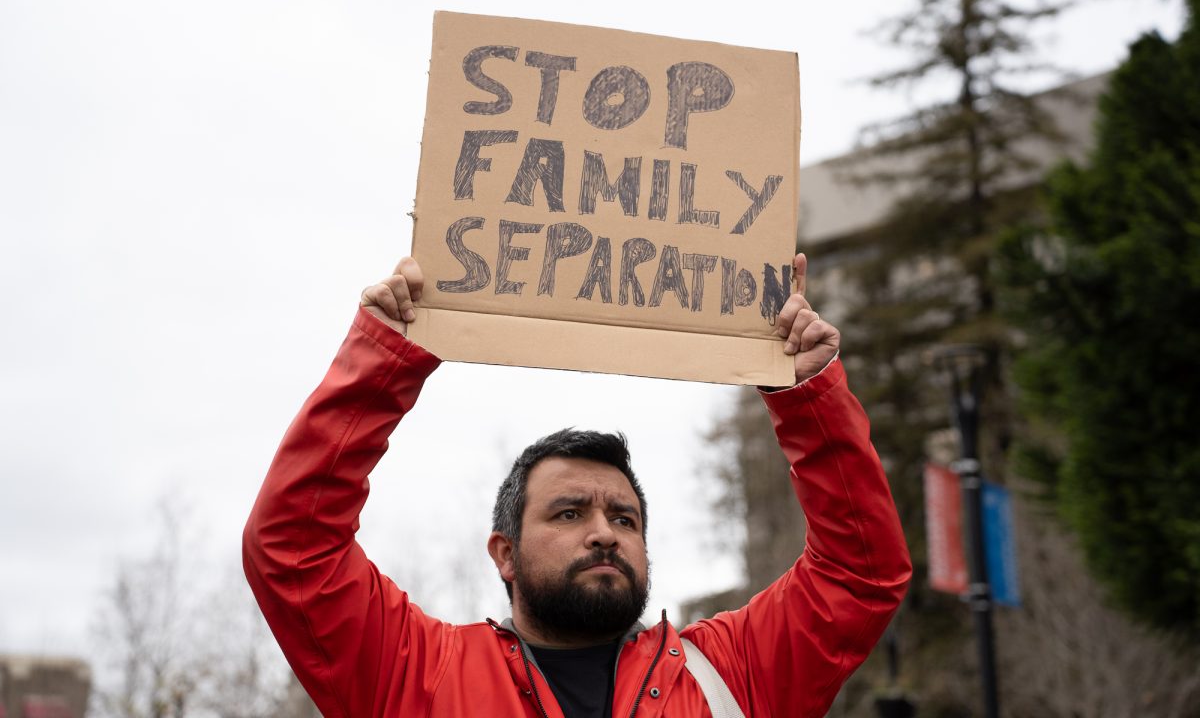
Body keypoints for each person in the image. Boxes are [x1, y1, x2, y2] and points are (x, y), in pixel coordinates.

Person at [243, 253, 911, 718]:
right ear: (502, 552)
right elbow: (294, 549)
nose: (603, 532)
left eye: (625, 519)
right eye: (568, 513)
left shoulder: (732, 673)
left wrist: (809, 396)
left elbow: (860, 574)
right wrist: (382, 362)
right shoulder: (418, 675)